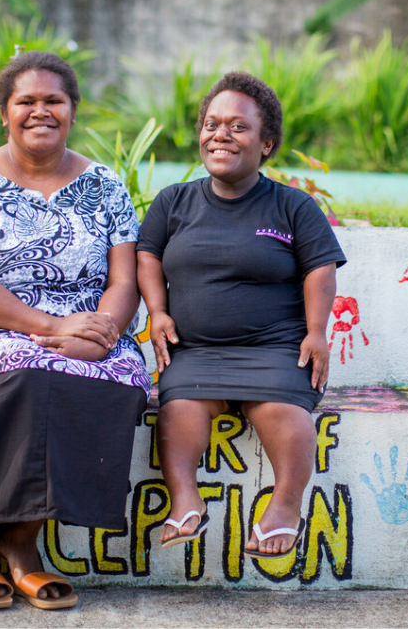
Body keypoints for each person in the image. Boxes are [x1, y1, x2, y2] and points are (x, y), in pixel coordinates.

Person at [0, 51, 150, 610]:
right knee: (32, 368)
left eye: (53, 101)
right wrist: (50, 326)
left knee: (117, 375)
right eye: (27, 102)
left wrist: (104, 330)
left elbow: (124, 276)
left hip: (89, 330)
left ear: (72, 110)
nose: (40, 112)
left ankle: (20, 539)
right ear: (6, 111)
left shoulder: (105, 186)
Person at [136, 72, 346, 559]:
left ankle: (285, 506)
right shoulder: (174, 201)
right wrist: (158, 312)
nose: (221, 135)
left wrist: (317, 333)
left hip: (273, 349)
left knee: (282, 411)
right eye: (212, 124)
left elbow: (320, 269)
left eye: (238, 126)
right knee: (180, 408)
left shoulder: (293, 206)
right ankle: (186, 500)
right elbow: (147, 255)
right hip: (196, 351)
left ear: (266, 142)